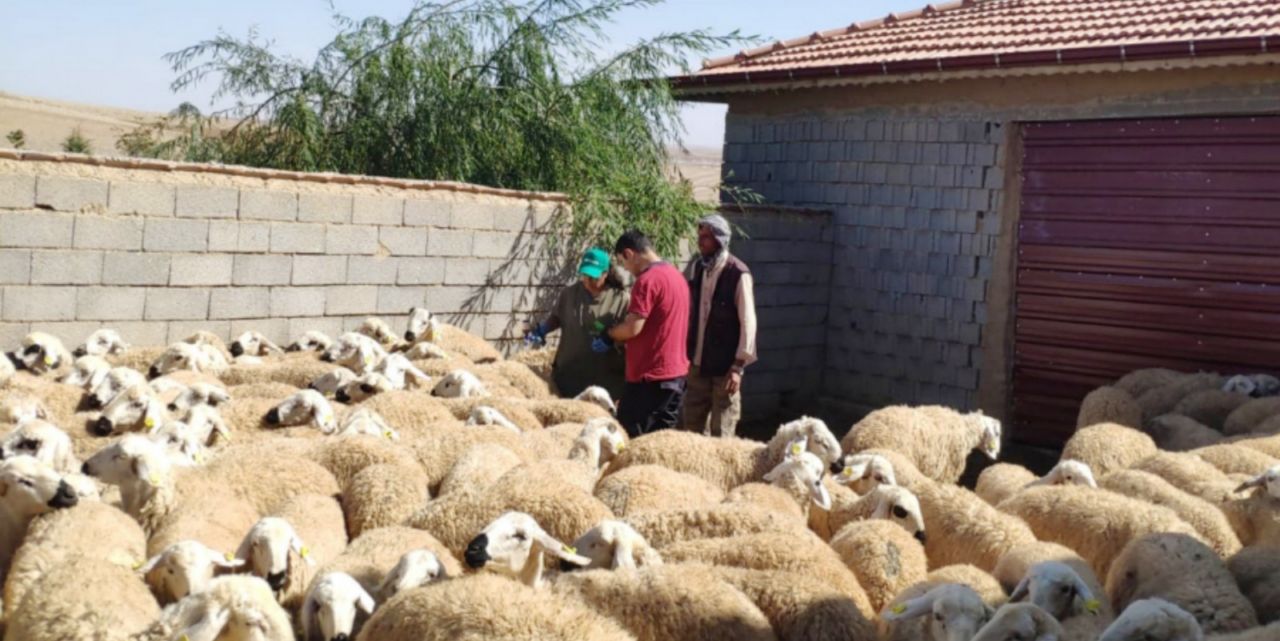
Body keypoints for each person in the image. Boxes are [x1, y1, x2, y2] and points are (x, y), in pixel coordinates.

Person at [593, 230, 690, 437]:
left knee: (632, 440)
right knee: (661, 442)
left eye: (623, 263)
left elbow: (632, 328)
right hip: (675, 377)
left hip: (650, 379)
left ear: (629, 253)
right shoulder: (676, 276)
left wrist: (609, 335)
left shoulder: (646, 281)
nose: (626, 270)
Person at [682, 214, 757, 437]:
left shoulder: (738, 273)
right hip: (696, 365)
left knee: (721, 431)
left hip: (726, 370)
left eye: (706, 237)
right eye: (700, 236)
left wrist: (738, 367)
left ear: (720, 239)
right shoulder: (697, 268)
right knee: (690, 428)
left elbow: (748, 322)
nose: (700, 241)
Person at [523, 247, 628, 400]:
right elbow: (558, 317)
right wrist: (543, 330)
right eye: (584, 275)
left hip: (605, 380)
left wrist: (612, 339)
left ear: (605, 274)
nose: (587, 281)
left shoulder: (621, 299)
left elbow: (630, 332)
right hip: (569, 375)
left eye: (593, 277)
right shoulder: (570, 294)